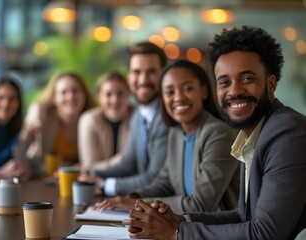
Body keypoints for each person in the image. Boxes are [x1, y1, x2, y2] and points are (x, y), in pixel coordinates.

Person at [124, 26, 306, 240]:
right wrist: (179, 220)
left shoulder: (287, 132)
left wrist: (177, 233)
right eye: (224, 82)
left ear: (271, 84)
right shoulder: (251, 134)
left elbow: (265, 233)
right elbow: (242, 216)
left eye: (247, 78)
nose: (235, 90)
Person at [95, 60, 239, 214]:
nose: (178, 98)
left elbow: (200, 205)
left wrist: (137, 203)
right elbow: (164, 182)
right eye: (169, 92)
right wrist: (132, 197)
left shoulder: (218, 133)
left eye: (188, 88)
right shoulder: (176, 133)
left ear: (204, 91)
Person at [82, 42, 169, 196]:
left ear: (163, 74)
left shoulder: (167, 117)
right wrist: (91, 173)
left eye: (151, 72)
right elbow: (129, 164)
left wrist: (103, 185)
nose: (143, 80)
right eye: (137, 72)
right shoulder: (138, 116)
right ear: (129, 76)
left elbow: (154, 178)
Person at [18, 72, 95, 168]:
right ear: (54, 98)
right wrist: (28, 128)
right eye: (63, 92)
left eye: (75, 91)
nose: (70, 97)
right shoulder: (42, 115)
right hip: (46, 178)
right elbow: (20, 148)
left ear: (85, 94)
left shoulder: (93, 119)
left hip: (80, 178)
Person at [78, 71, 134, 171]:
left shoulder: (137, 116)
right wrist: (123, 159)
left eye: (120, 93)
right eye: (108, 94)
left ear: (128, 94)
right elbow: (89, 166)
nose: (115, 100)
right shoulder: (88, 120)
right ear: (99, 97)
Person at [0, 76, 23, 168]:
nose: (6, 103)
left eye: (12, 99)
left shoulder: (18, 127)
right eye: (0, 97)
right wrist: (22, 138)